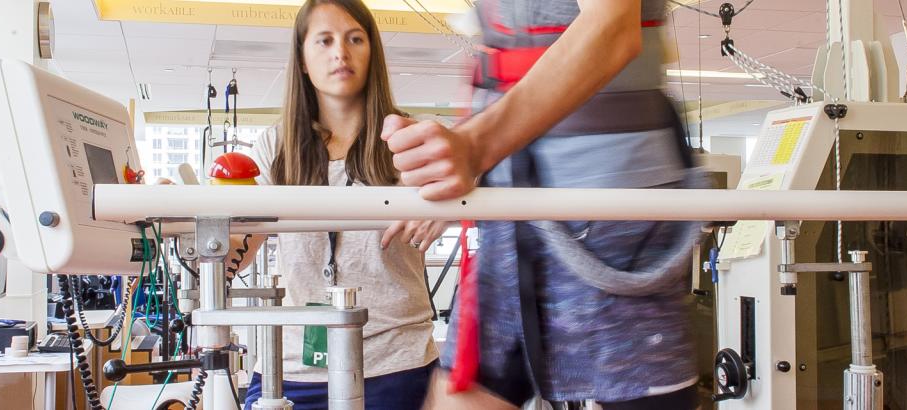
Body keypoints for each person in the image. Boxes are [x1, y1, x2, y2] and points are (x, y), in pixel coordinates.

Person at [381, 1, 702, 409]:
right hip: (518, 200)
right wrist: (447, 167)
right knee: (464, 394)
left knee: (632, 380)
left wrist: (474, 147)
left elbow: (612, 30)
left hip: (605, 204)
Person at [236, 1, 447, 408]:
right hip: (294, 366)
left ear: (372, 52)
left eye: (355, 39)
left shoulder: (405, 138)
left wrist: (446, 198)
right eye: (325, 40)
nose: (341, 53)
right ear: (301, 58)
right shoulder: (275, 147)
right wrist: (178, 220)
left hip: (392, 363)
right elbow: (239, 254)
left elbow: (475, 174)